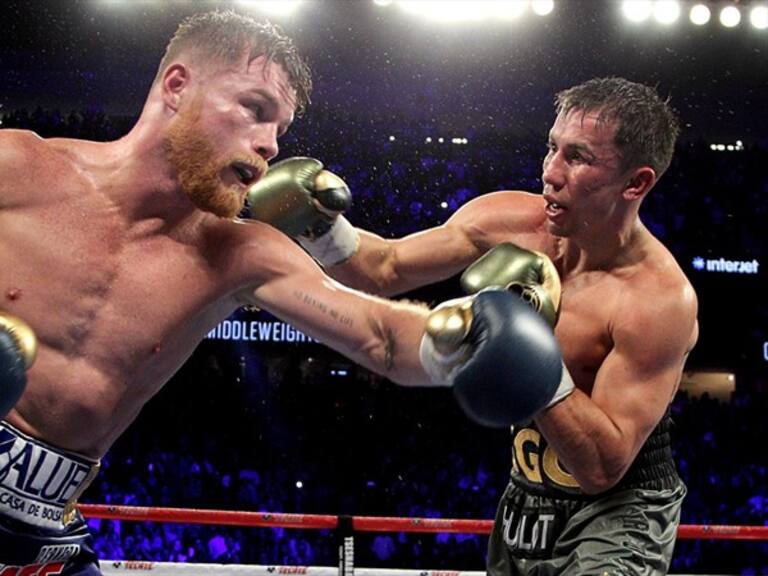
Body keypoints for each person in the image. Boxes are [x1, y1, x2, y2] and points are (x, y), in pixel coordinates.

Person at [0, 11, 566, 574]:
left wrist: (474, 337)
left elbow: (384, 338)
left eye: (281, 129)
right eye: (254, 109)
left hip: (46, 534)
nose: (269, 145)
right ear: (178, 86)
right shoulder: (20, 168)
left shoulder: (240, 254)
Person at [295, 77, 699, 574]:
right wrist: (317, 227)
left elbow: (602, 467)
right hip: (526, 496)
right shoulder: (509, 221)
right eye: (552, 147)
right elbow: (384, 269)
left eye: (577, 157)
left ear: (635, 183)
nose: (550, 173)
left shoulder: (659, 300)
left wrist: (530, 345)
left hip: (619, 509)